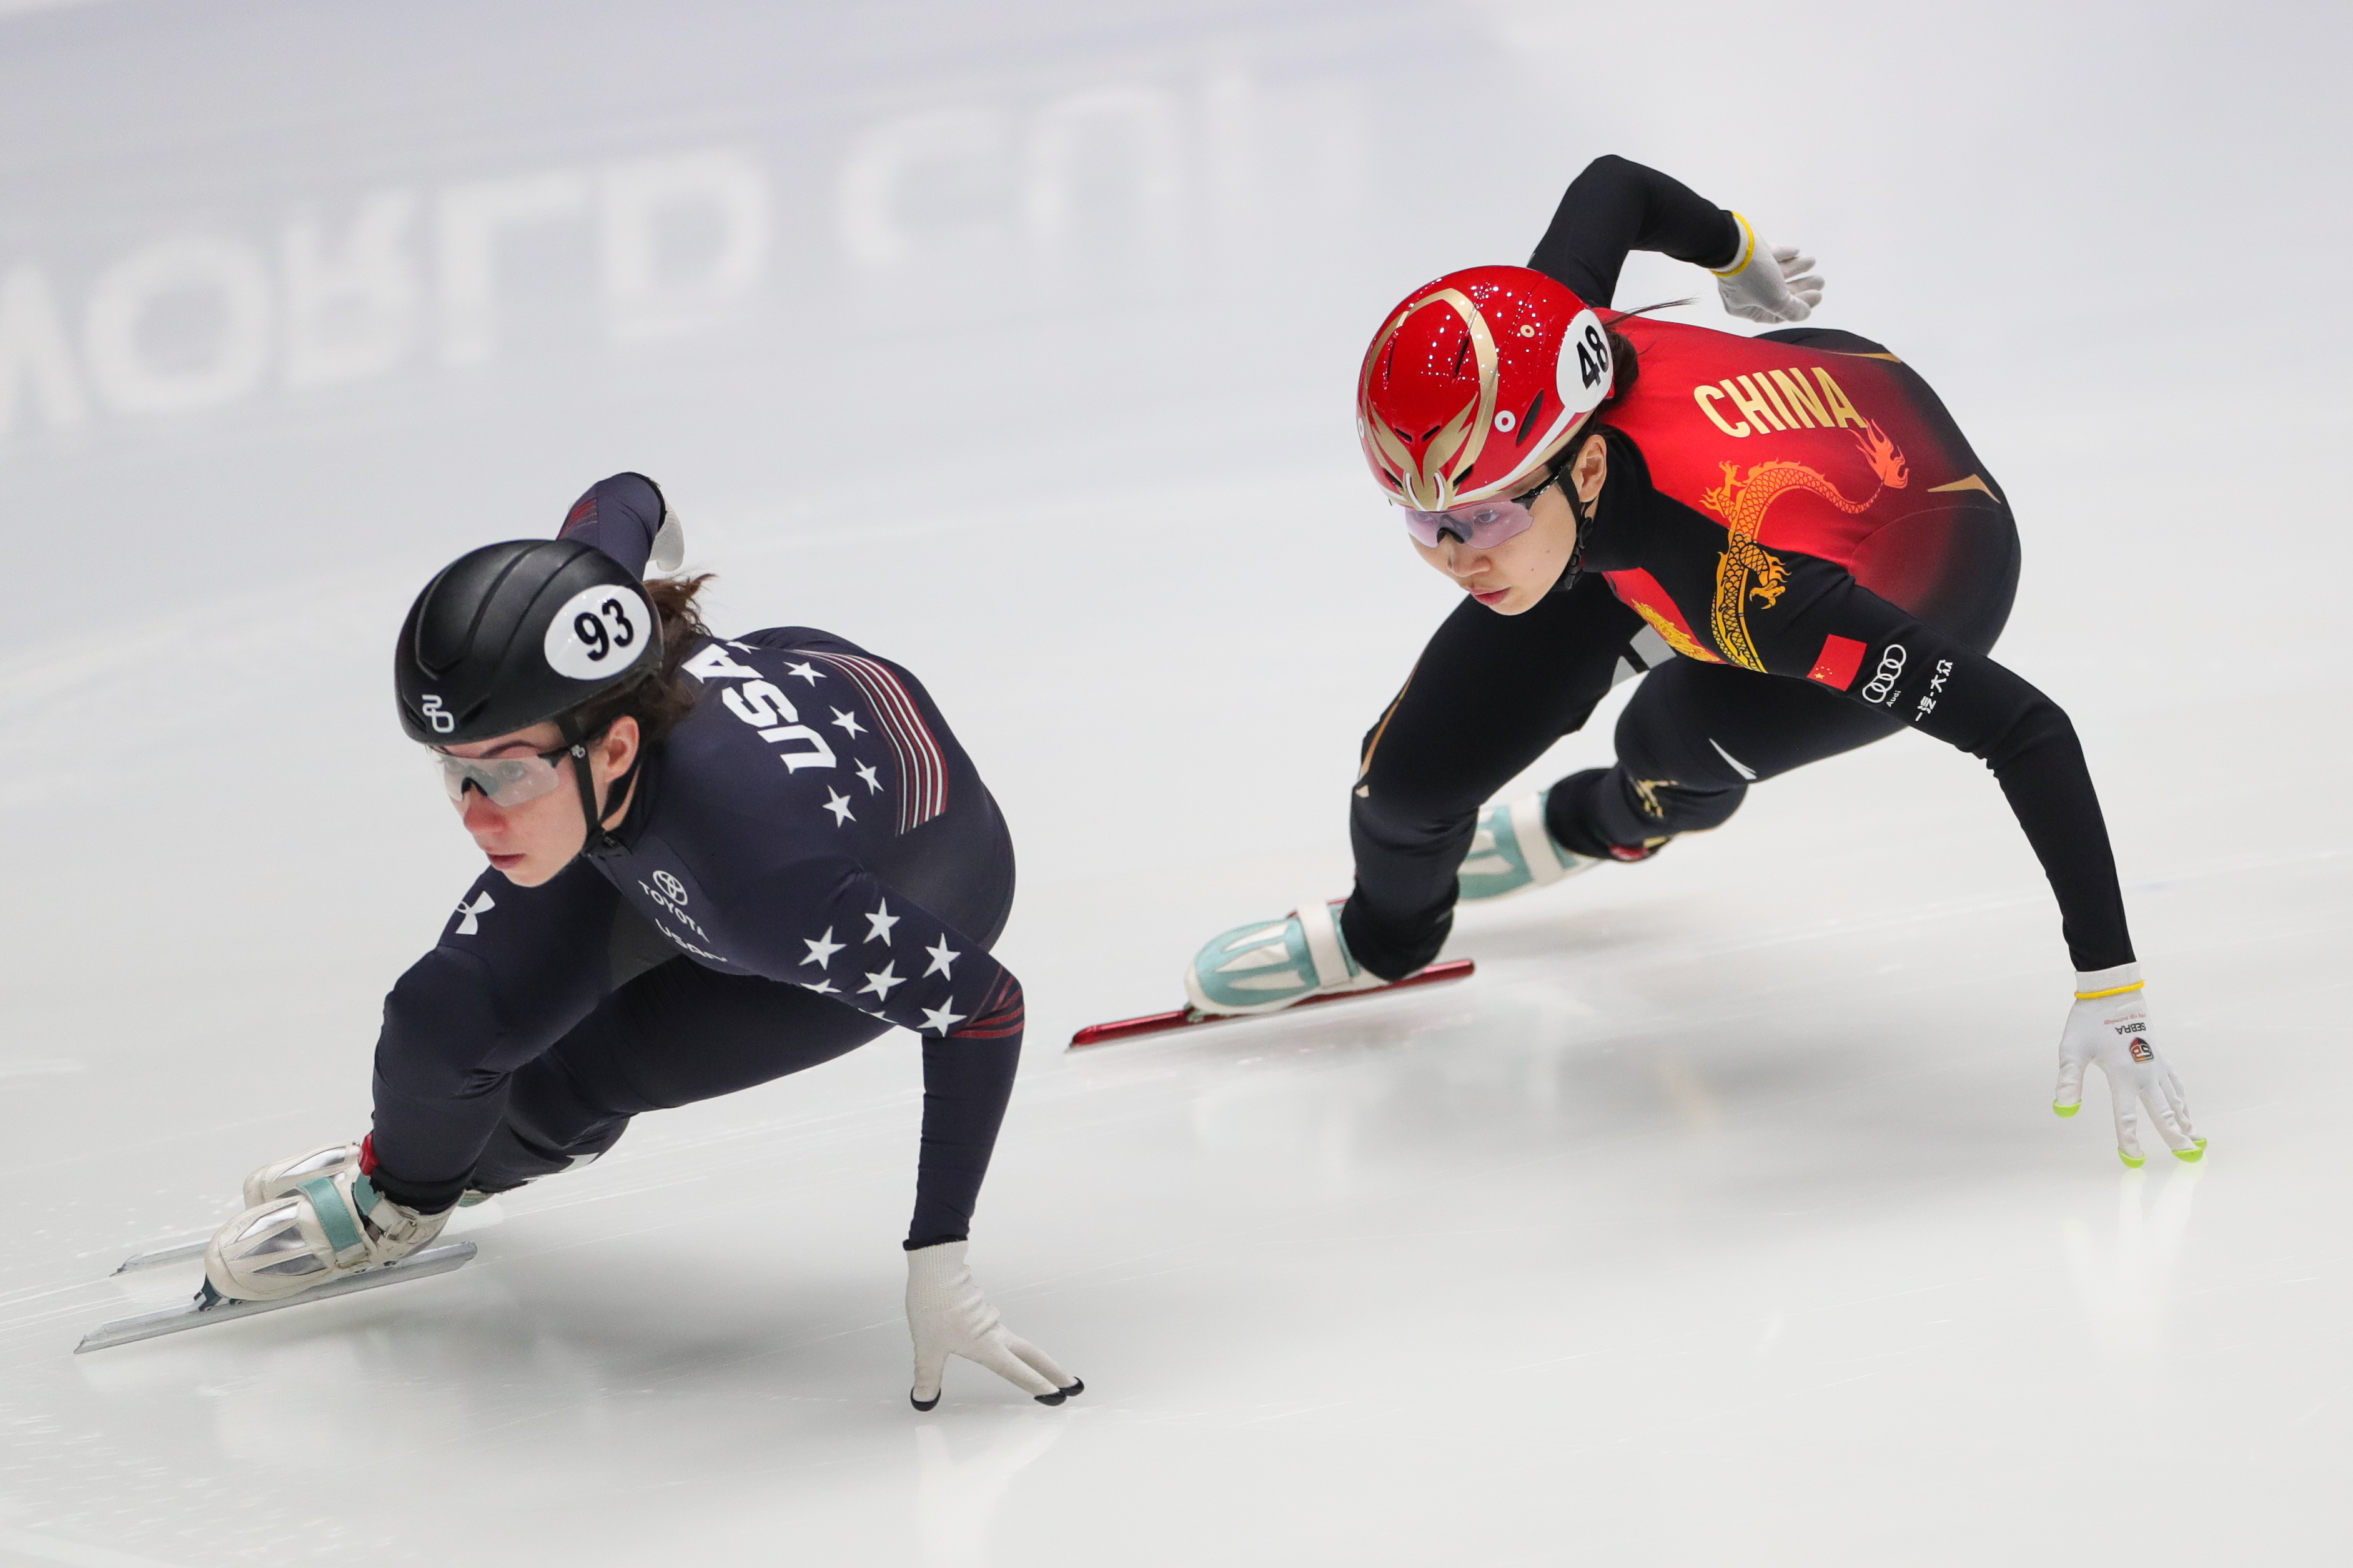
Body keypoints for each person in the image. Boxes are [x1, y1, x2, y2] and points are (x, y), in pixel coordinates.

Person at [1184, 155, 2201, 1168]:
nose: (1456, 557)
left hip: (1915, 555)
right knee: (1405, 783)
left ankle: (1615, 820)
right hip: (1669, 489)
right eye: (1424, 519)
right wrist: (1734, 248)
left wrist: (2109, 980)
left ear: (1580, 467)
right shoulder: (1538, 349)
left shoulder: (1756, 594)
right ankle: (1388, 940)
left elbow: (2027, 730)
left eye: (1481, 516)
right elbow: (1609, 188)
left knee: (1668, 739)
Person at [201, 473, 1081, 1409]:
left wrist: (939, 1256)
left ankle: (441, 1184)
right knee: (443, 1016)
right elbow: (626, 496)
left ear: (614, 747)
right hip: (699, 788)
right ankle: (405, 1188)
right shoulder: (587, 627)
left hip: (915, 882)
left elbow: (985, 1007)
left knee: (572, 1079)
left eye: (502, 775)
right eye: (451, 771)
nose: (474, 815)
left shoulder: (766, 885)